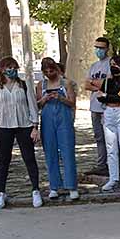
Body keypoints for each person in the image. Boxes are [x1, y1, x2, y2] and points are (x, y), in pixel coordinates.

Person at [0, 57, 41, 209]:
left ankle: (35, 190)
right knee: (3, 160)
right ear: (2, 69)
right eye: (8, 67)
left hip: (24, 124)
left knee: (29, 158)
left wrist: (35, 126)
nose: (12, 70)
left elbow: (32, 105)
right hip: (3, 126)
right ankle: (1, 192)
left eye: (14, 67)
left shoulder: (23, 84)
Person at [37, 58, 79, 201]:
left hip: (64, 118)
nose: (49, 73)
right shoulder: (41, 85)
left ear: (56, 69)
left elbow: (72, 103)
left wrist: (60, 98)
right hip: (47, 119)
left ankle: (71, 186)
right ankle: (54, 186)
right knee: (50, 152)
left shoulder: (65, 83)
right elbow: (38, 104)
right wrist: (44, 99)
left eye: (52, 70)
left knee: (67, 151)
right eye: (46, 72)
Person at [98, 55, 120, 191]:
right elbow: (100, 96)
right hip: (109, 112)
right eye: (111, 64)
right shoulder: (107, 81)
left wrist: (106, 97)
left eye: (115, 64)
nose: (113, 66)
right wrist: (105, 97)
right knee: (111, 148)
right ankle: (113, 178)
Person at [83, 37, 111, 176]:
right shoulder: (94, 66)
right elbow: (86, 85)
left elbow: (108, 84)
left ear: (107, 49)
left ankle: (113, 164)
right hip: (94, 106)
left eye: (101, 47)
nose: (98, 50)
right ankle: (101, 164)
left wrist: (96, 83)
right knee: (99, 137)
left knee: (110, 137)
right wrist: (98, 83)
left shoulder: (110, 64)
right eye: (97, 47)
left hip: (107, 106)